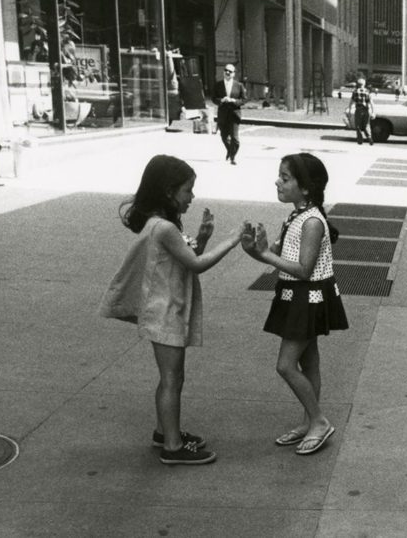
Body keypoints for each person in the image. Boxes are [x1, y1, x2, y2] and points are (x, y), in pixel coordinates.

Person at [98, 155, 243, 466]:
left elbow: (188, 255)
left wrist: (203, 237)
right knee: (171, 378)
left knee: (172, 378)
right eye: (188, 190)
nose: (192, 197)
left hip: (167, 309)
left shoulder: (164, 226)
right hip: (164, 312)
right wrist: (231, 241)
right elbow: (196, 264)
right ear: (168, 191)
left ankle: (165, 432)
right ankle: (173, 447)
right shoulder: (163, 227)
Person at [240, 153, 349, 456]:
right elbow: (273, 257)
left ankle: (318, 421)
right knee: (309, 362)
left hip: (307, 297)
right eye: (280, 175)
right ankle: (308, 421)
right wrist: (255, 250)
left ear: (306, 188)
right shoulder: (297, 215)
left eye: (285, 177)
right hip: (299, 296)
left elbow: (303, 268)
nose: (278, 181)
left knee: (286, 365)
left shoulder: (311, 221)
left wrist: (264, 253)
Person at [212, 63, 247, 164]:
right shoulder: (218, 85)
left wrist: (234, 101)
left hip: (234, 114)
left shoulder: (239, 85)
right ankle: (230, 151)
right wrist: (221, 100)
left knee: (235, 139)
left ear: (234, 74)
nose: (227, 72)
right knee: (223, 137)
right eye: (226, 70)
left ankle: (232, 157)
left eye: (230, 71)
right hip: (223, 115)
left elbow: (244, 99)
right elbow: (213, 98)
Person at [351, 78, 375, 144]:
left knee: (358, 125)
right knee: (366, 125)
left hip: (358, 110)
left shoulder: (355, 92)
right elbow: (371, 103)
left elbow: (352, 101)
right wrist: (373, 112)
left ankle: (360, 139)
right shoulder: (368, 92)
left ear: (358, 84)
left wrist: (350, 108)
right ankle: (369, 137)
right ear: (364, 84)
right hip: (366, 110)